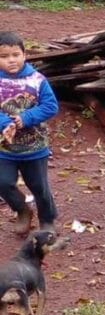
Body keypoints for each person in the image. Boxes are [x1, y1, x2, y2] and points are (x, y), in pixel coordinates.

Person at [0, 31, 59, 236]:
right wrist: (5, 123)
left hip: (35, 147)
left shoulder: (37, 80)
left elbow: (51, 106)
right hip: (4, 149)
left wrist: (26, 118)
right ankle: (22, 210)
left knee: (39, 187)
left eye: (15, 54)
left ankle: (47, 220)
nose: (11, 60)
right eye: (4, 56)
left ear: (24, 55)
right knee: (3, 183)